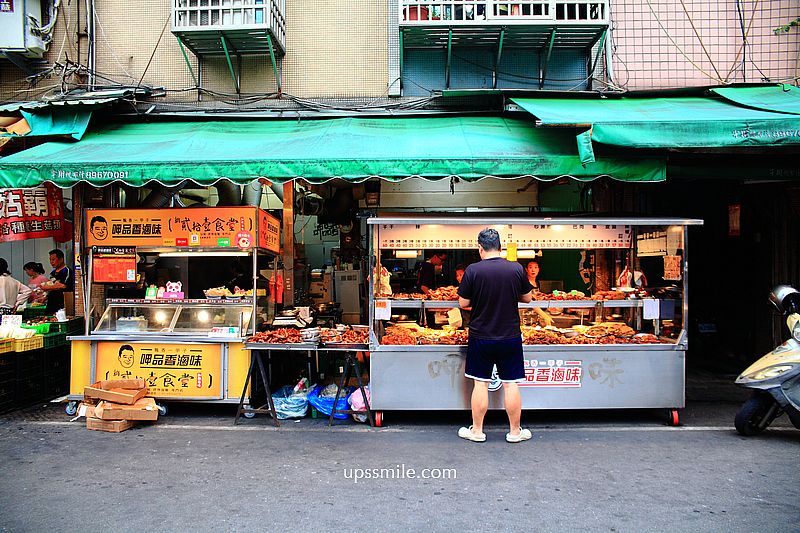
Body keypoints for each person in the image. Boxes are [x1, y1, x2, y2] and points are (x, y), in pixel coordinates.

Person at [456, 228, 533, 444]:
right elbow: (527, 298)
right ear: (501, 247)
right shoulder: (516, 268)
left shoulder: (473, 270)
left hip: (481, 336)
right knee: (511, 384)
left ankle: (478, 431)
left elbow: (463, 303)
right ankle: (515, 432)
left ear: (480, 248)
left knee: (480, 384)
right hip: (510, 335)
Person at [522, 259, 553, 327]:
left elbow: (536, 300)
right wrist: (544, 315)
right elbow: (530, 302)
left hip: (535, 320)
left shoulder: (537, 283)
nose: (533, 270)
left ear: (538, 269)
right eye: (530, 267)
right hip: (525, 319)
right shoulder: (524, 283)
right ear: (526, 269)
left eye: (535, 267)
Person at [41, 249, 73, 314]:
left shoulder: (66, 271)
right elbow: (52, 285)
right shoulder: (52, 273)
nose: (51, 262)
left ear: (61, 259)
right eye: (50, 260)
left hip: (62, 303)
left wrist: (47, 287)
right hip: (51, 303)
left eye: (53, 259)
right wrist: (46, 297)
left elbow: (63, 285)